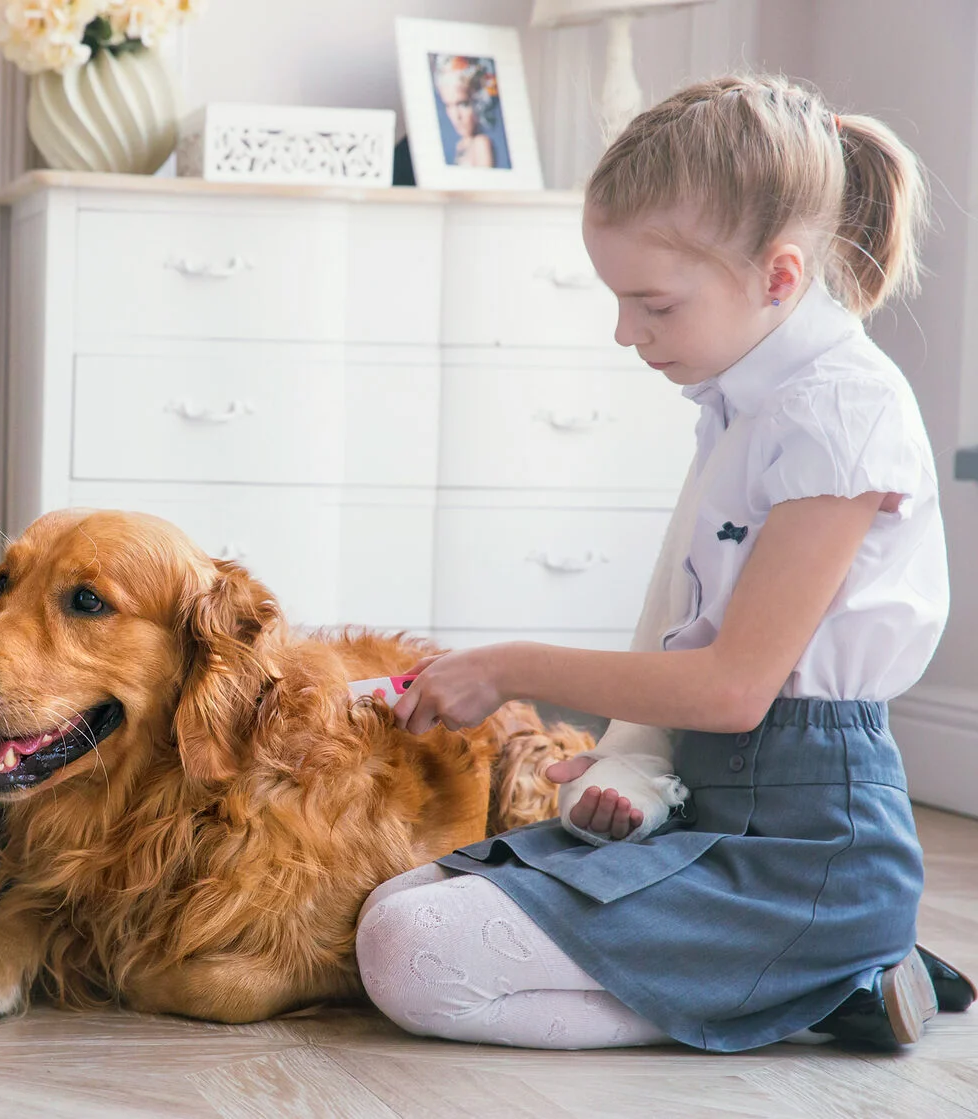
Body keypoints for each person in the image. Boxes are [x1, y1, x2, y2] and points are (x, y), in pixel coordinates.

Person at [358, 74, 974, 1052]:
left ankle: (819, 975)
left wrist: (507, 667)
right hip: (711, 802)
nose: (623, 333)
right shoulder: (741, 406)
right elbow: (681, 630)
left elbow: (733, 689)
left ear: (777, 276)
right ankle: (803, 982)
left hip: (810, 845)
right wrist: (627, 764)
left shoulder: (840, 417)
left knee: (411, 954)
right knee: (395, 904)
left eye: (651, 304)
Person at [434, 56, 498, 169]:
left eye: (463, 104)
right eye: (448, 106)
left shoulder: (481, 144)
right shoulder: (460, 145)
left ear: (478, 103)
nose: (456, 116)